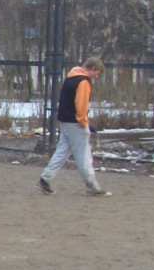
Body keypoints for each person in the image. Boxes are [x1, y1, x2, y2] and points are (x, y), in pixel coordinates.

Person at [39, 57, 111, 197]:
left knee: (62, 152)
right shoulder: (83, 82)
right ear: (93, 68)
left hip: (65, 121)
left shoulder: (70, 77)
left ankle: (45, 178)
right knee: (84, 156)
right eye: (97, 73)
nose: (96, 76)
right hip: (75, 123)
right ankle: (92, 186)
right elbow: (81, 105)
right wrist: (84, 123)